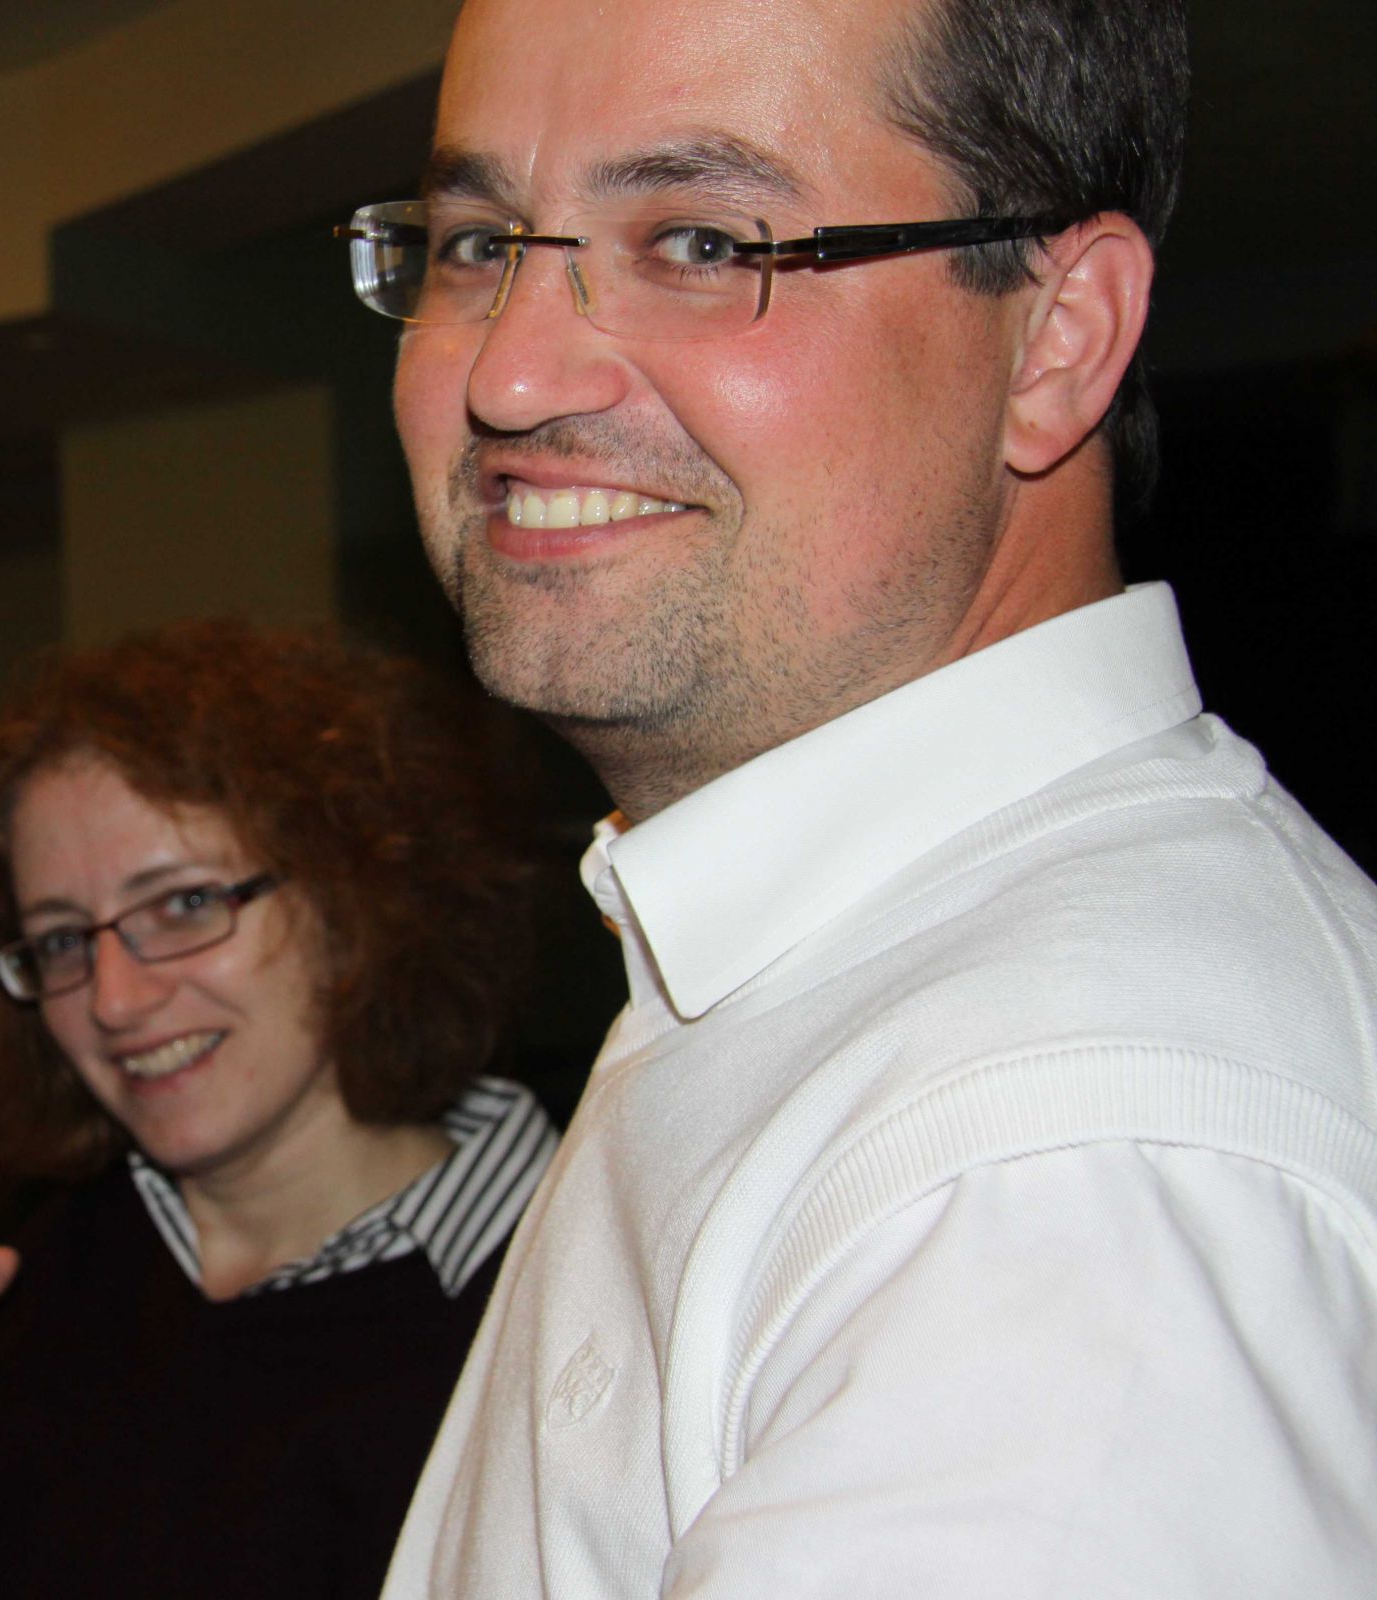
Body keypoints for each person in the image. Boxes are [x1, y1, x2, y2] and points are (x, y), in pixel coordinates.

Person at [341, 0, 1377, 1594]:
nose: (512, 371)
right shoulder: (838, 956)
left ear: (1058, 337)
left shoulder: (1055, 1163)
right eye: (480, 244)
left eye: (698, 242)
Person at [0, 619, 558, 1598]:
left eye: (183, 905)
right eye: (63, 940)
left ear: (355, 893)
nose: (112, 999)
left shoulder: (563, 1287)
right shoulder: (37, 1275)